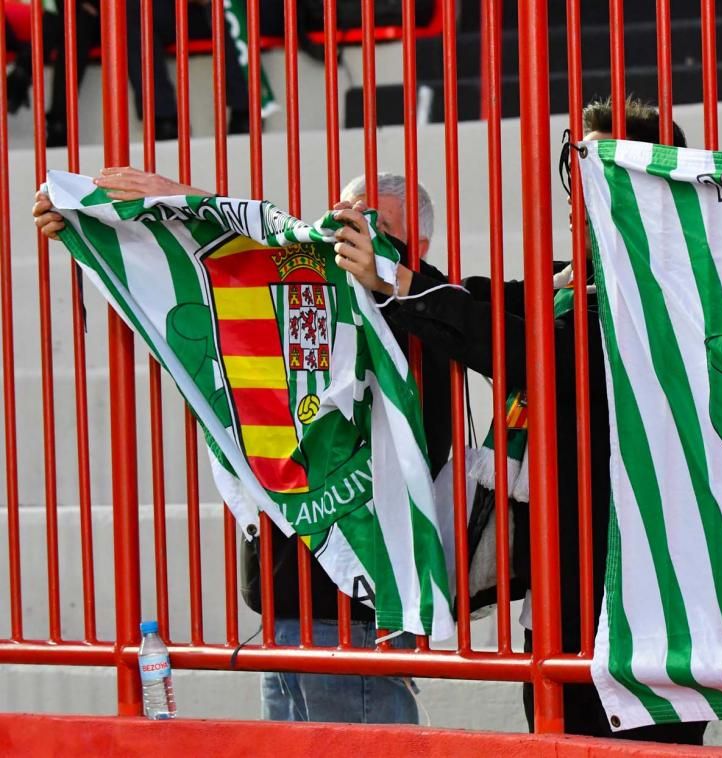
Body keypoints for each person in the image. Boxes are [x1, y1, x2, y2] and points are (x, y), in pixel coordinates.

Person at [331, 97, 707, 744]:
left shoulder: (668, 289)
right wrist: (388, 260)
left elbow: (538, 350)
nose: (571, 188)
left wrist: (398, 280)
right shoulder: (584, 281)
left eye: (587, 166)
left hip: (648, 613)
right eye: (573, 164)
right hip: (564, 607)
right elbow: (490, 302)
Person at [32, 168, 453, 725]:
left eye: (377, 224)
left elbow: (425, 440)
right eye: (345, 215)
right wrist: (95, 227)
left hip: (358, 602)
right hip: (282, 595)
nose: (354, 232)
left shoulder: (426, 302)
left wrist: (193, 201)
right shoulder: (302, 284)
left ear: (418, 246)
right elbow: (225, 268)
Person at [125, 0, 251, 139]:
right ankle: (163, 118)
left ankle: (245, 109)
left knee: (231, 6)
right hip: (170, 12)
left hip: (216, 10)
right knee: (134, 10)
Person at [4, 0, 102, 147]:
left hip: (102, 18)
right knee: (62, 19)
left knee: (75, 23)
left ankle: (20, 75)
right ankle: (59, 124)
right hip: (71, 15)